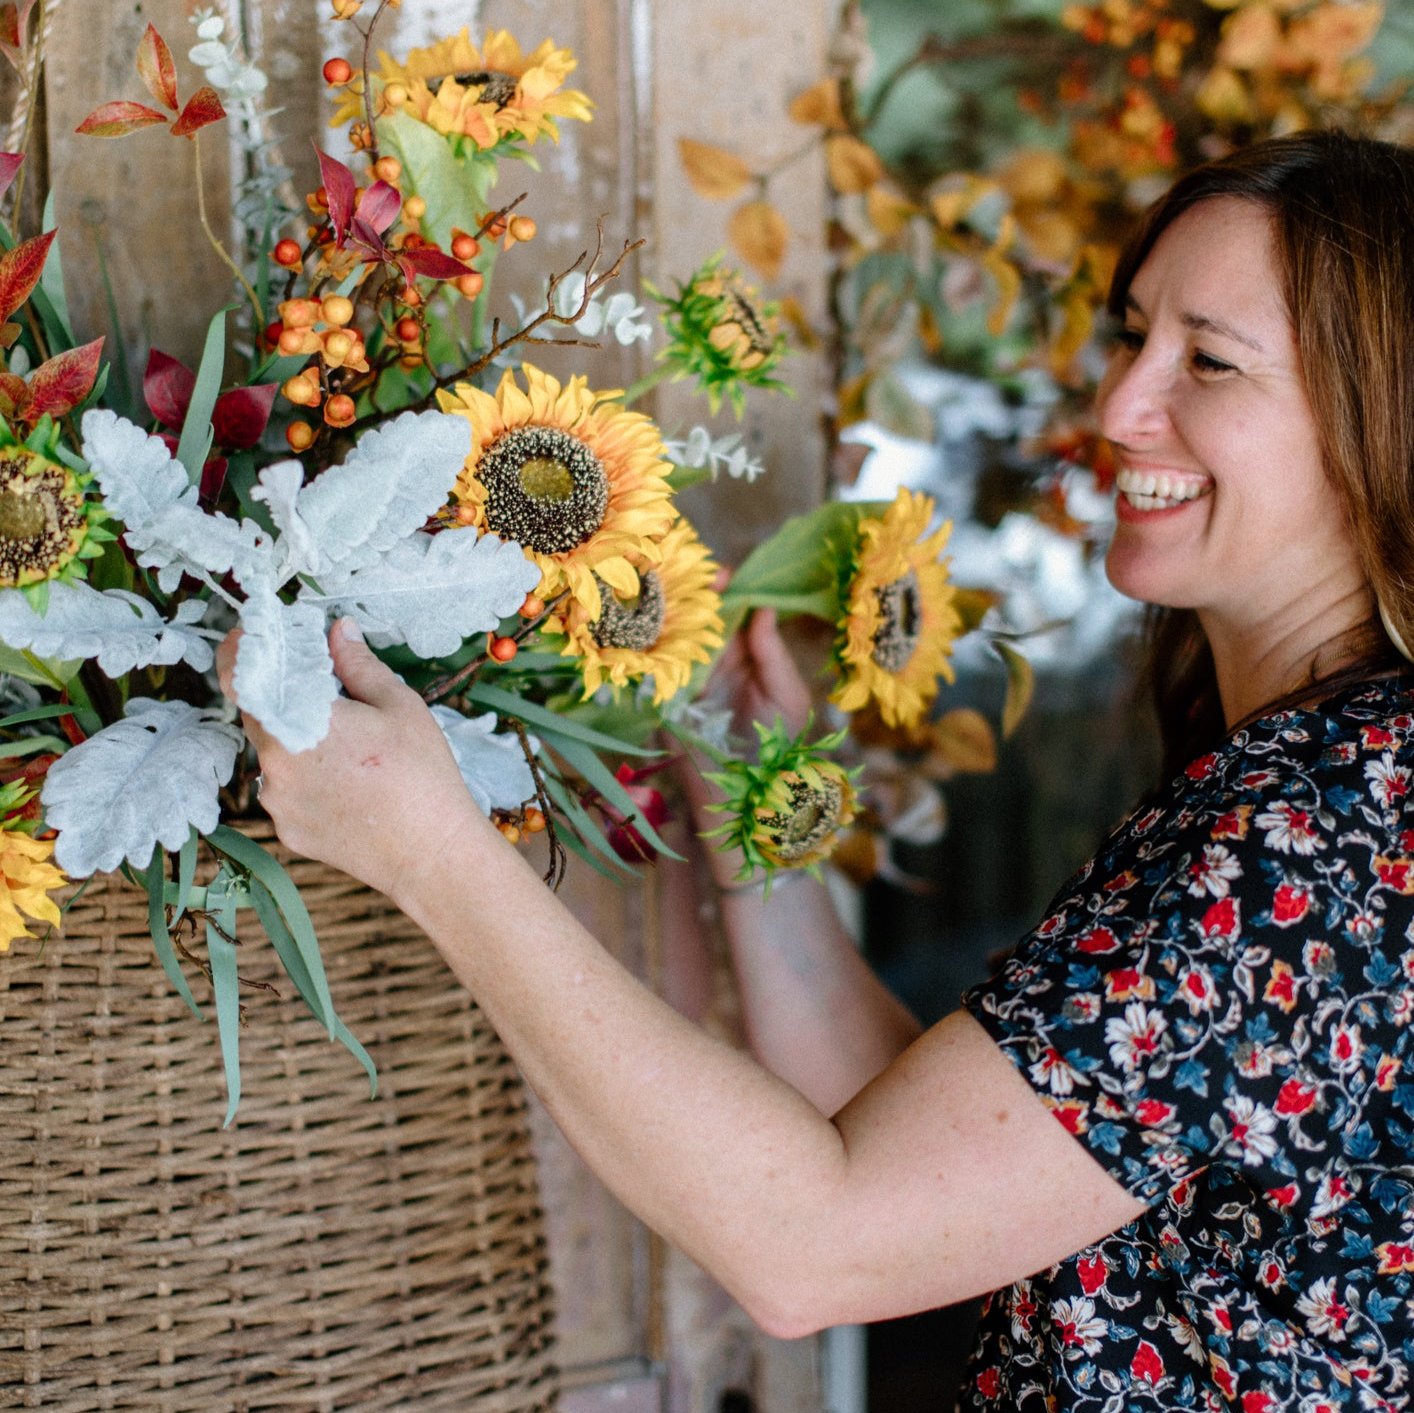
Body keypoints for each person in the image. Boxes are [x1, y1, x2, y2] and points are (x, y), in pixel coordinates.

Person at [220, 130, 1414, 1407]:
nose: (1120, 409)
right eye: (1132, 338)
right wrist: (765, 839)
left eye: (1209, 363)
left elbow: (817, 1249)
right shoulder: (1342, 783)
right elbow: (953, 1168)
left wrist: (432, 851)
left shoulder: (1327, 822)